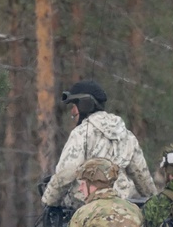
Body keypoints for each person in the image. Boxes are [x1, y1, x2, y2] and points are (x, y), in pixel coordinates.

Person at [42, 80, 157, 211]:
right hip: (122, 210)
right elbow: (142, 176)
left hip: (87, 210)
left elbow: (65, 174)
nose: (72, 112)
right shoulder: (126, 134)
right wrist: (154, 202)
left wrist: (48, 202)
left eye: (74, 106)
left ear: (85, 104)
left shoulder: (81, 133)